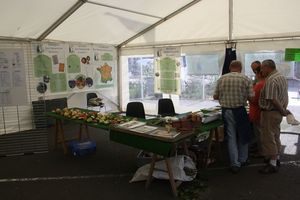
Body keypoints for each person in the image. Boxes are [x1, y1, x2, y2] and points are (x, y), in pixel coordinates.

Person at [214, 60, 253, 174]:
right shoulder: (246, 79)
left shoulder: (221, 79)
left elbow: (215, 96)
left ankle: (235, 164)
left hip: (227, 111)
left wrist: (224, 97)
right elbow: (251, 98)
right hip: (240, 110)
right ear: (240, 68)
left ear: (230, 68)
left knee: (231, 137)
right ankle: (243, 159)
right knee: (243, 135)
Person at [258, 59, 289, 174]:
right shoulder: (281, 77)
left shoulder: (271, 79)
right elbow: (285, 96)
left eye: (262, 68)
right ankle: (276, 159)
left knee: (268, 138)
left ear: (267, 67)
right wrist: (283, 109)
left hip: (270, 112)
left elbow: (272, 99)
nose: (261, 71)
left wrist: (282, 110)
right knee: (275, 136)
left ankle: (272, 164)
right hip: (277, 112)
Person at [249, 67, 266, 157]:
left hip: (256, 112)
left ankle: (261, 152)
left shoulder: (259, 85)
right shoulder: (266, 83)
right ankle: (262, 150)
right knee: (261, 133)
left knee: (259, 133)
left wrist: (247, 97)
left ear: (259, 74)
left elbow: (253, 99)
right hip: (260, 112)